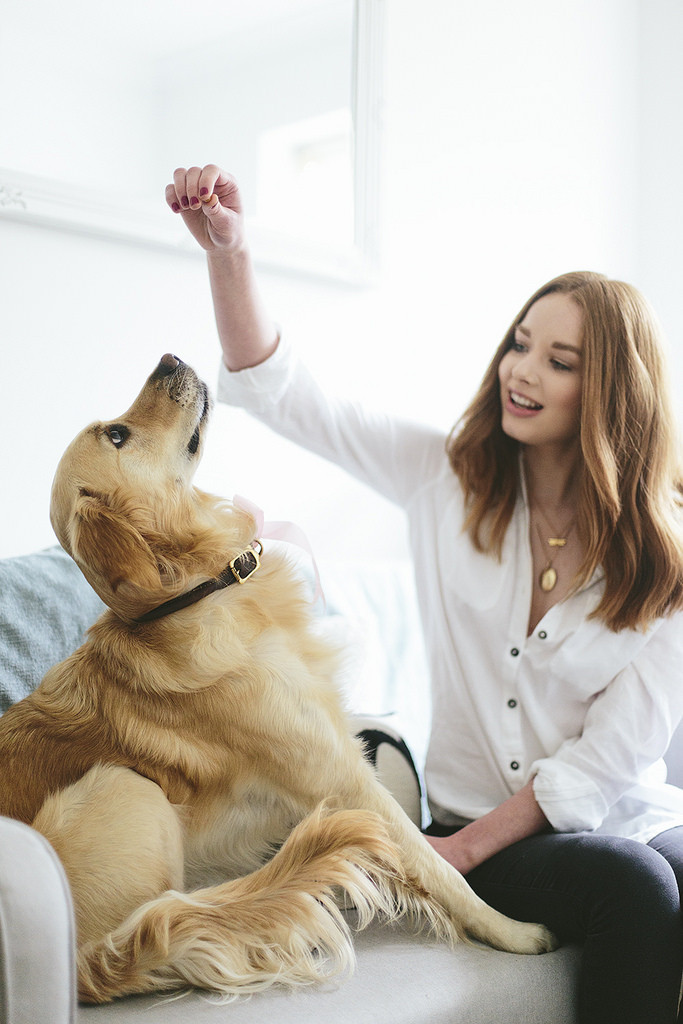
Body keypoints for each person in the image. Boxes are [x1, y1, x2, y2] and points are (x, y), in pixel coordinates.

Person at [166, 164, 683, 1023]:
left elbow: (611, 759)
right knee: (634, 889)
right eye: (520, 343)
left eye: (558, 361)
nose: (522, 371)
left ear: (608, 394)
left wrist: (456, 856)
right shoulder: (444, 479)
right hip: (491, 817)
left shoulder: (662, 553)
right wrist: (231, 252)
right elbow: (288, 394)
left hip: (620, 806)